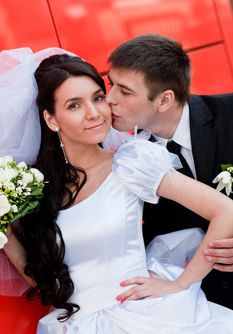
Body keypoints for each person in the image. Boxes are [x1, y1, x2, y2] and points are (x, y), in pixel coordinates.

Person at [3, 48, 233, 334]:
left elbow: (226, 210)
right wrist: (7, 235)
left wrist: (182, 283)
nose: (94, 113)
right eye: (74, 105)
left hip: (145, 317)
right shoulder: (34, 190)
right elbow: (49, 286)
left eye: (98, 98)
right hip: (74, 325)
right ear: (51, 119)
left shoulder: (131, 162)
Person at [106, 33, 233, 309]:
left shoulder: (229, 113)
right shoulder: (130, 157)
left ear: (164, 100)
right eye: (110, 84)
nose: (109, 99)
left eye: (125, 91)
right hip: (199, 306)